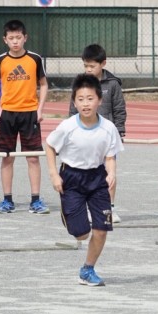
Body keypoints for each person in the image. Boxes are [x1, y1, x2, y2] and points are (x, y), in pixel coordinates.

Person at [44, 73, 123, 286]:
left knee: (102, 228)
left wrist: (112, 172)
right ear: (74, 101)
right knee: (81, 234)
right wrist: (53, 174)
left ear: (99, 100)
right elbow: (50, 145)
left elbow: (110, 155)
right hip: (71, 178)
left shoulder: (108, 128)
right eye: (80, 99)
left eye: (90, 99)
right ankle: (70, 217)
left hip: (97, 178)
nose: (85, 104)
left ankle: (88, 269)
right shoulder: (68, 126)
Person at [0, 19, 49, 214]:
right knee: (7, 158)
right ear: (5, 40)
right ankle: (7, 200)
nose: (15, 41)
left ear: (25, 38)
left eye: (18, 38)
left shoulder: (35, 59)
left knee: (33, 158)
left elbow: (44, 84)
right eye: (11, 38)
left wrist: (39, 109)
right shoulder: (0, 61)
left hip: (30, 114)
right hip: (8, 115)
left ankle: (36, 200)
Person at [68, 44, 127, 222]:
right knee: (86, 175)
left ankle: (109, 209)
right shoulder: (80, 84)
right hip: (84, 138)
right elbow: (72, 109)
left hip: (107, 139)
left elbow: (119, 109)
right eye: (86, 66)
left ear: (103, 64)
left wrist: (119, 132)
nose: (88, 69)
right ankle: (88, 208)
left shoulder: (113, 84)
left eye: (92, 66)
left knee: (109, 174)